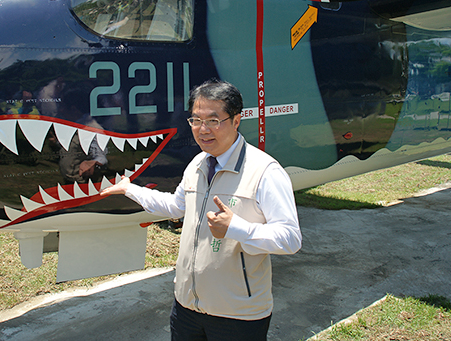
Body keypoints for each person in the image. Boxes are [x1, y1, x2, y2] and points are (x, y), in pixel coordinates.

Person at [100, 79, 301, 341]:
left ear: (236, 121)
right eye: (196, 120)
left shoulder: (265, 171)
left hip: (237, 315)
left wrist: (237, 228)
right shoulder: (197, 164)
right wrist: (131, 189)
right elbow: (176, 206)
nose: (203, 129)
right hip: (187, 308)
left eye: (213, 120)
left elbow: (291, 238)